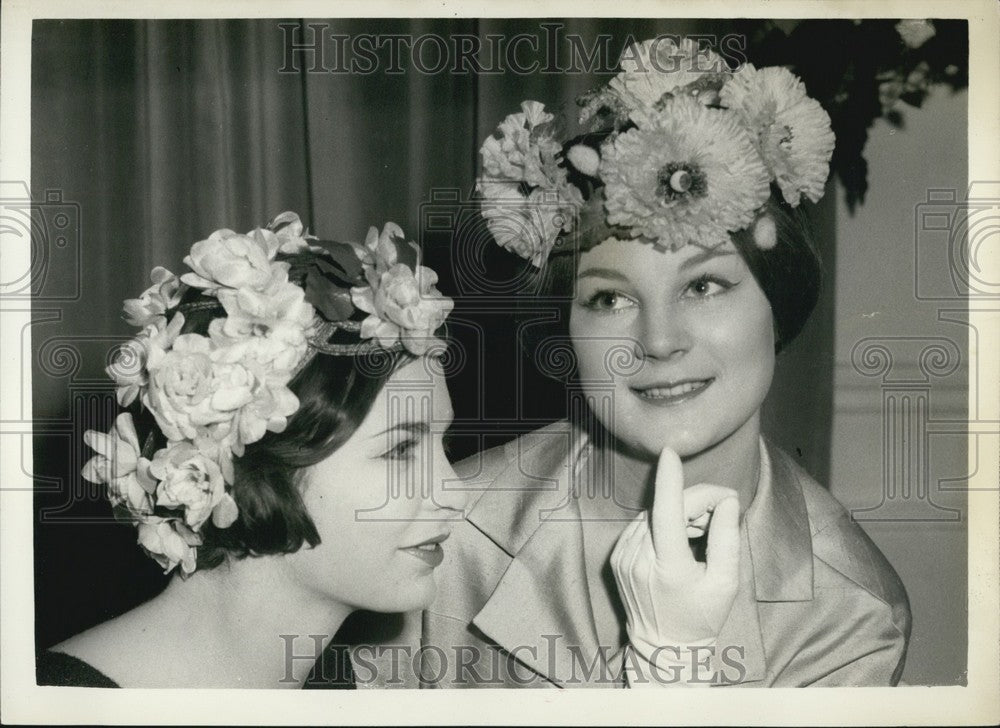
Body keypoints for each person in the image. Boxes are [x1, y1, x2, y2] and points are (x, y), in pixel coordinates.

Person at [414, 37, 911, 688]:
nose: (659, 341)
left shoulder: (852, 613)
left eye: (704, 286)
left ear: (779, 306)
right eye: (610, 298)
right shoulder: (443, 527)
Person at [36, 213, 466, 688]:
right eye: (402, 448)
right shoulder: (68, 702)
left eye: (441, 443)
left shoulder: (334, 685)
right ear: (248, 461)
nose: (455, 494)